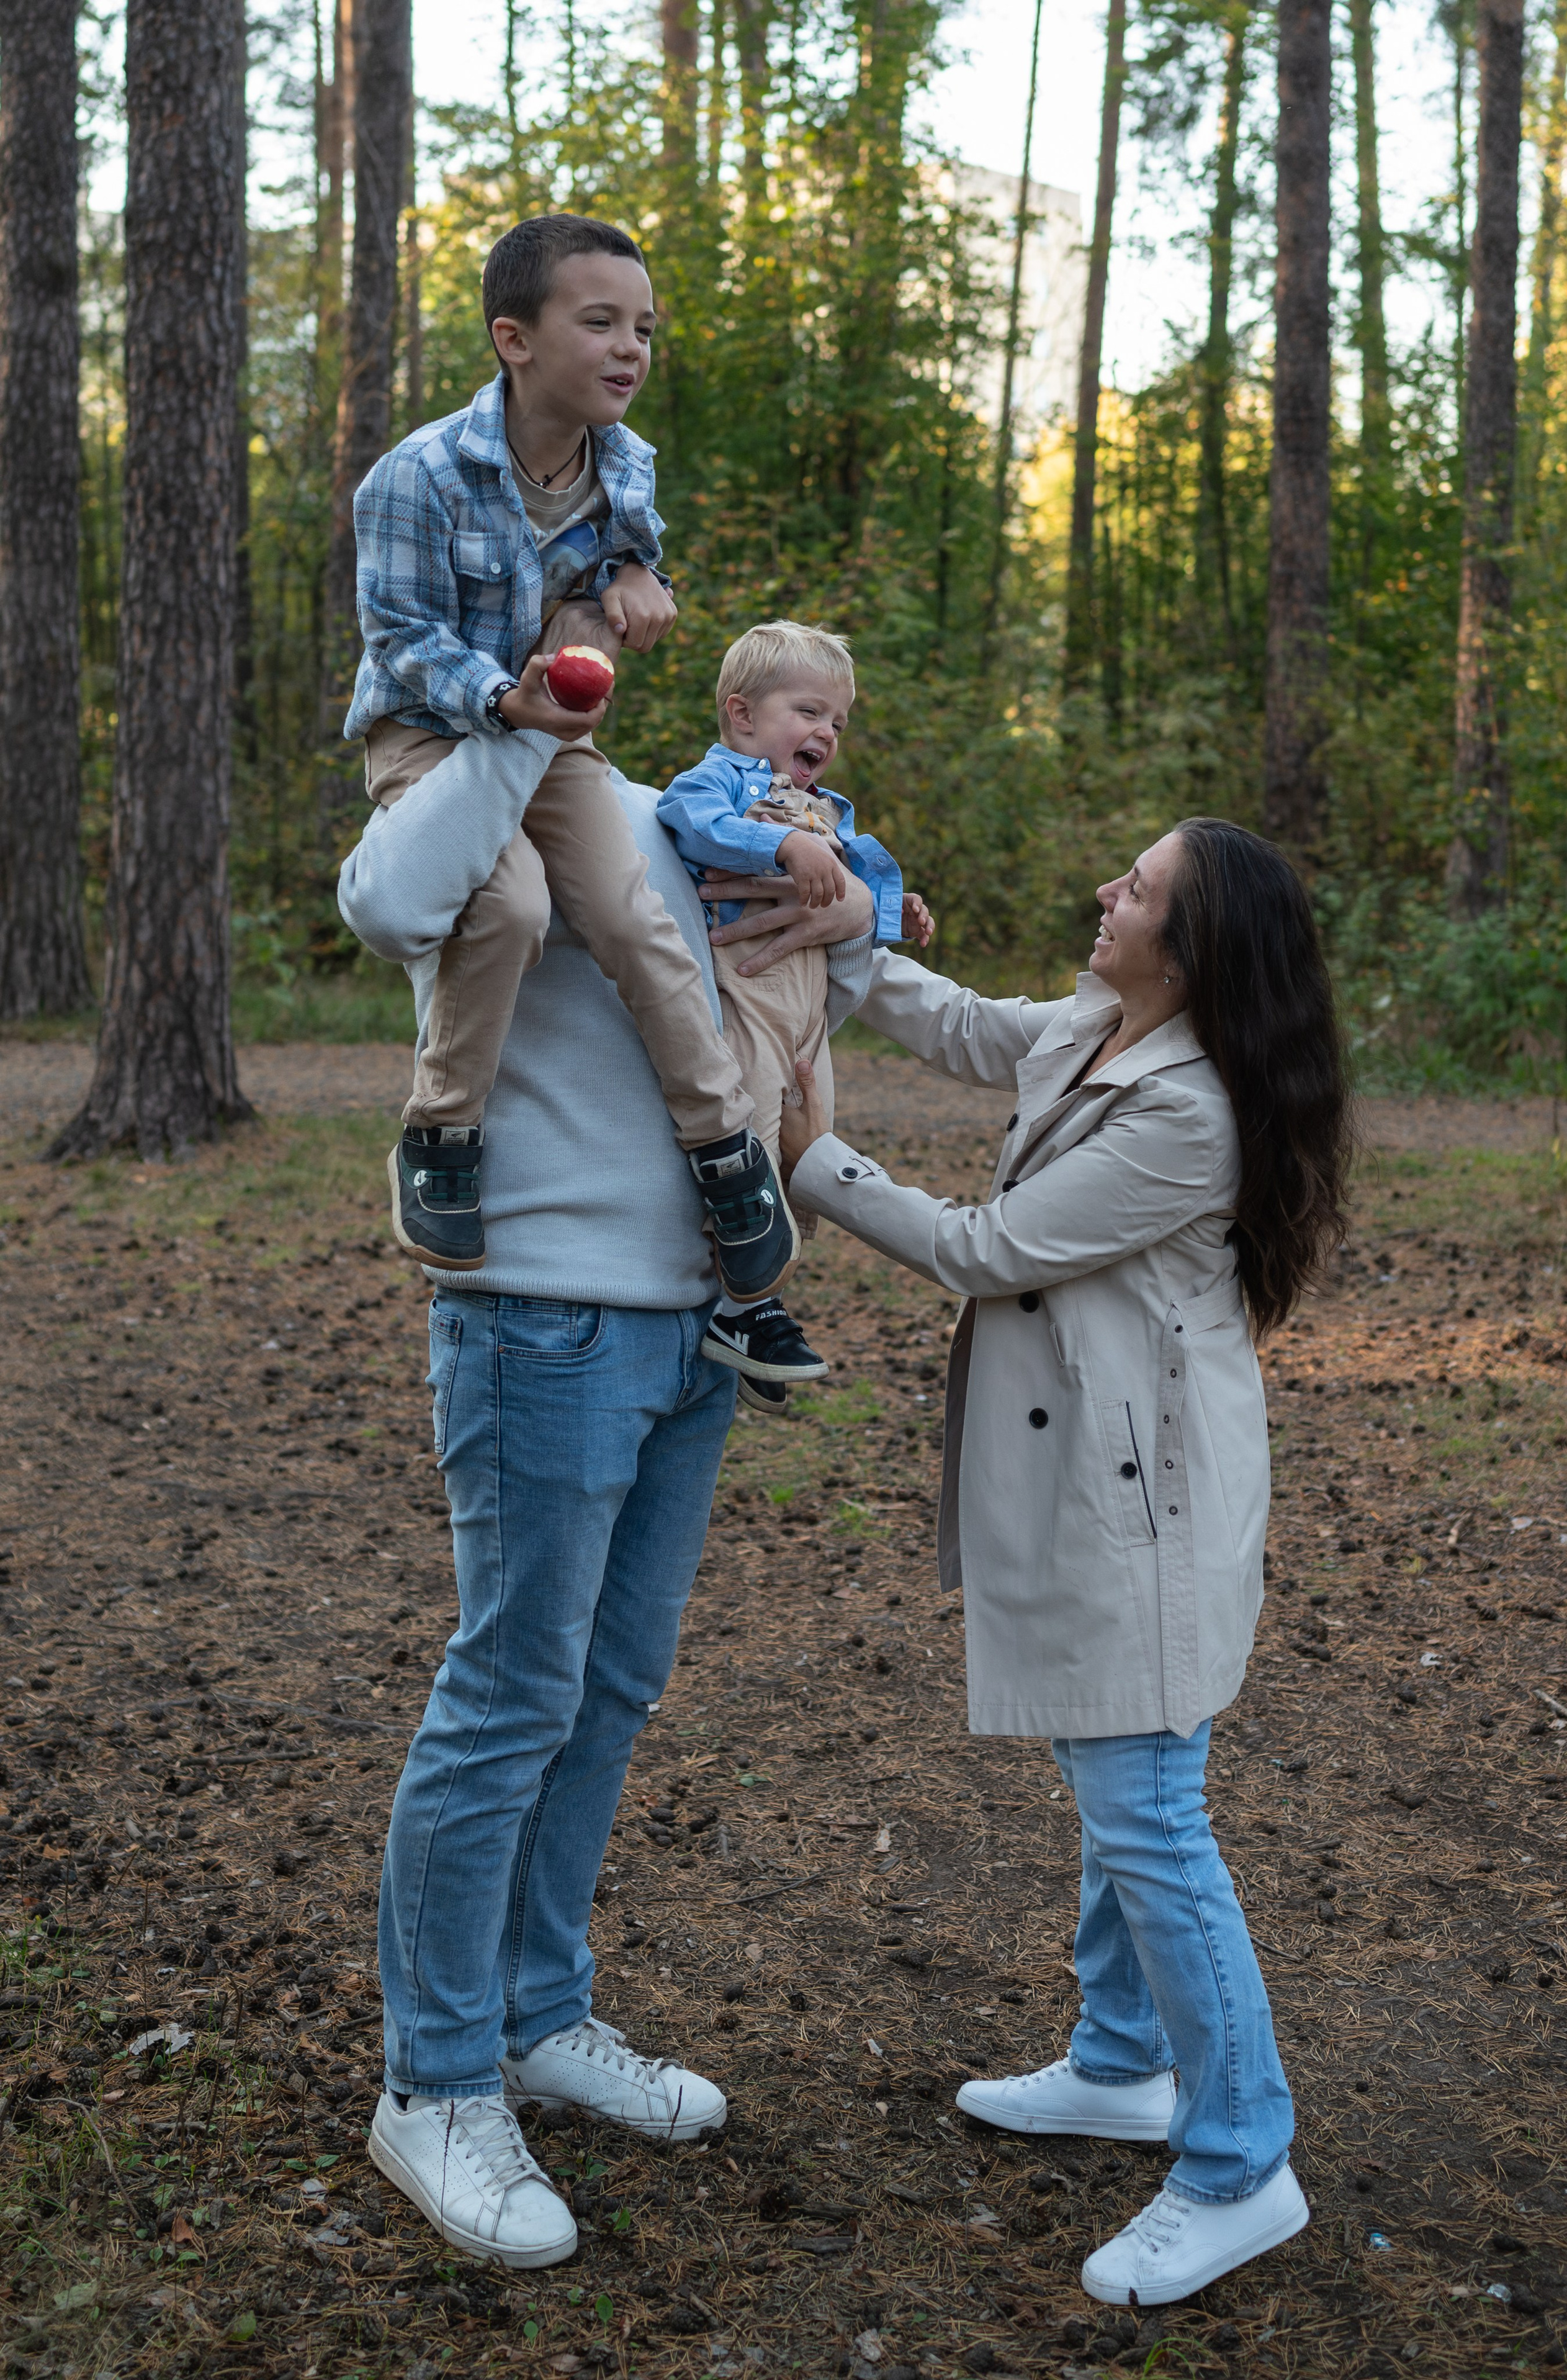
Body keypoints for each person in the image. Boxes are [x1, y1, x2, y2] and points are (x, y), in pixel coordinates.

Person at [779, 816, 1352, 2307]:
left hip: (1141, 1501)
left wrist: (808, 1158)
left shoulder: (1189, 1112)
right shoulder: (1109, 1022)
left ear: (1197, 943)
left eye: (1139, 888)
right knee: (1123, 1784)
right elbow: (965, 1023)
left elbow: (986, 1247)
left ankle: (1238, 2157)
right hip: (1116, 1468)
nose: (1107, 891)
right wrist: (850, 931)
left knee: (1148, 1809)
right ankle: (1118, 2061)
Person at [338, 721, 877, 2268]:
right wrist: (507, 727)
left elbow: (781, 1014)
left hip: (695, 1319)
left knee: (612, 1681)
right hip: (541, 1307)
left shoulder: (693, 819)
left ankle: (535, 2011)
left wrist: (843, 916)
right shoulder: (481, 790)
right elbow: (385, 909)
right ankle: (432, 2079)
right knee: (512, 1687)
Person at [346, 212, 796, 1317]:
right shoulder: (418, 476)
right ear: (515, 338)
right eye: (599, 321)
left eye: (642, 327)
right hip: (435, 734)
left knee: (634, 919)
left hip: (555, 741)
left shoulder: (625, 461)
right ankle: (443, 1130)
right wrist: (505, 697)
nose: (630, 347)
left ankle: (724, 1142)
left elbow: (624, 561)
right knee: (508, 908)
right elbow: (400, 635)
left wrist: (644, 580)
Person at [658, 621, 935, 1406]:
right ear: (743, 716)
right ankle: (743, 1307)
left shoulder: (825, 809)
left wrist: (893, 909)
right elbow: (689, 823)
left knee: (804, 1151)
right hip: (745, 989)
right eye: (810, 712)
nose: (827, 733)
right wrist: (781, 849)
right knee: (742, 1139)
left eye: (838, 723)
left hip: (809, 1008)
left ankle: (758, 1304)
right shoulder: (719, 782)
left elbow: (849, 887)